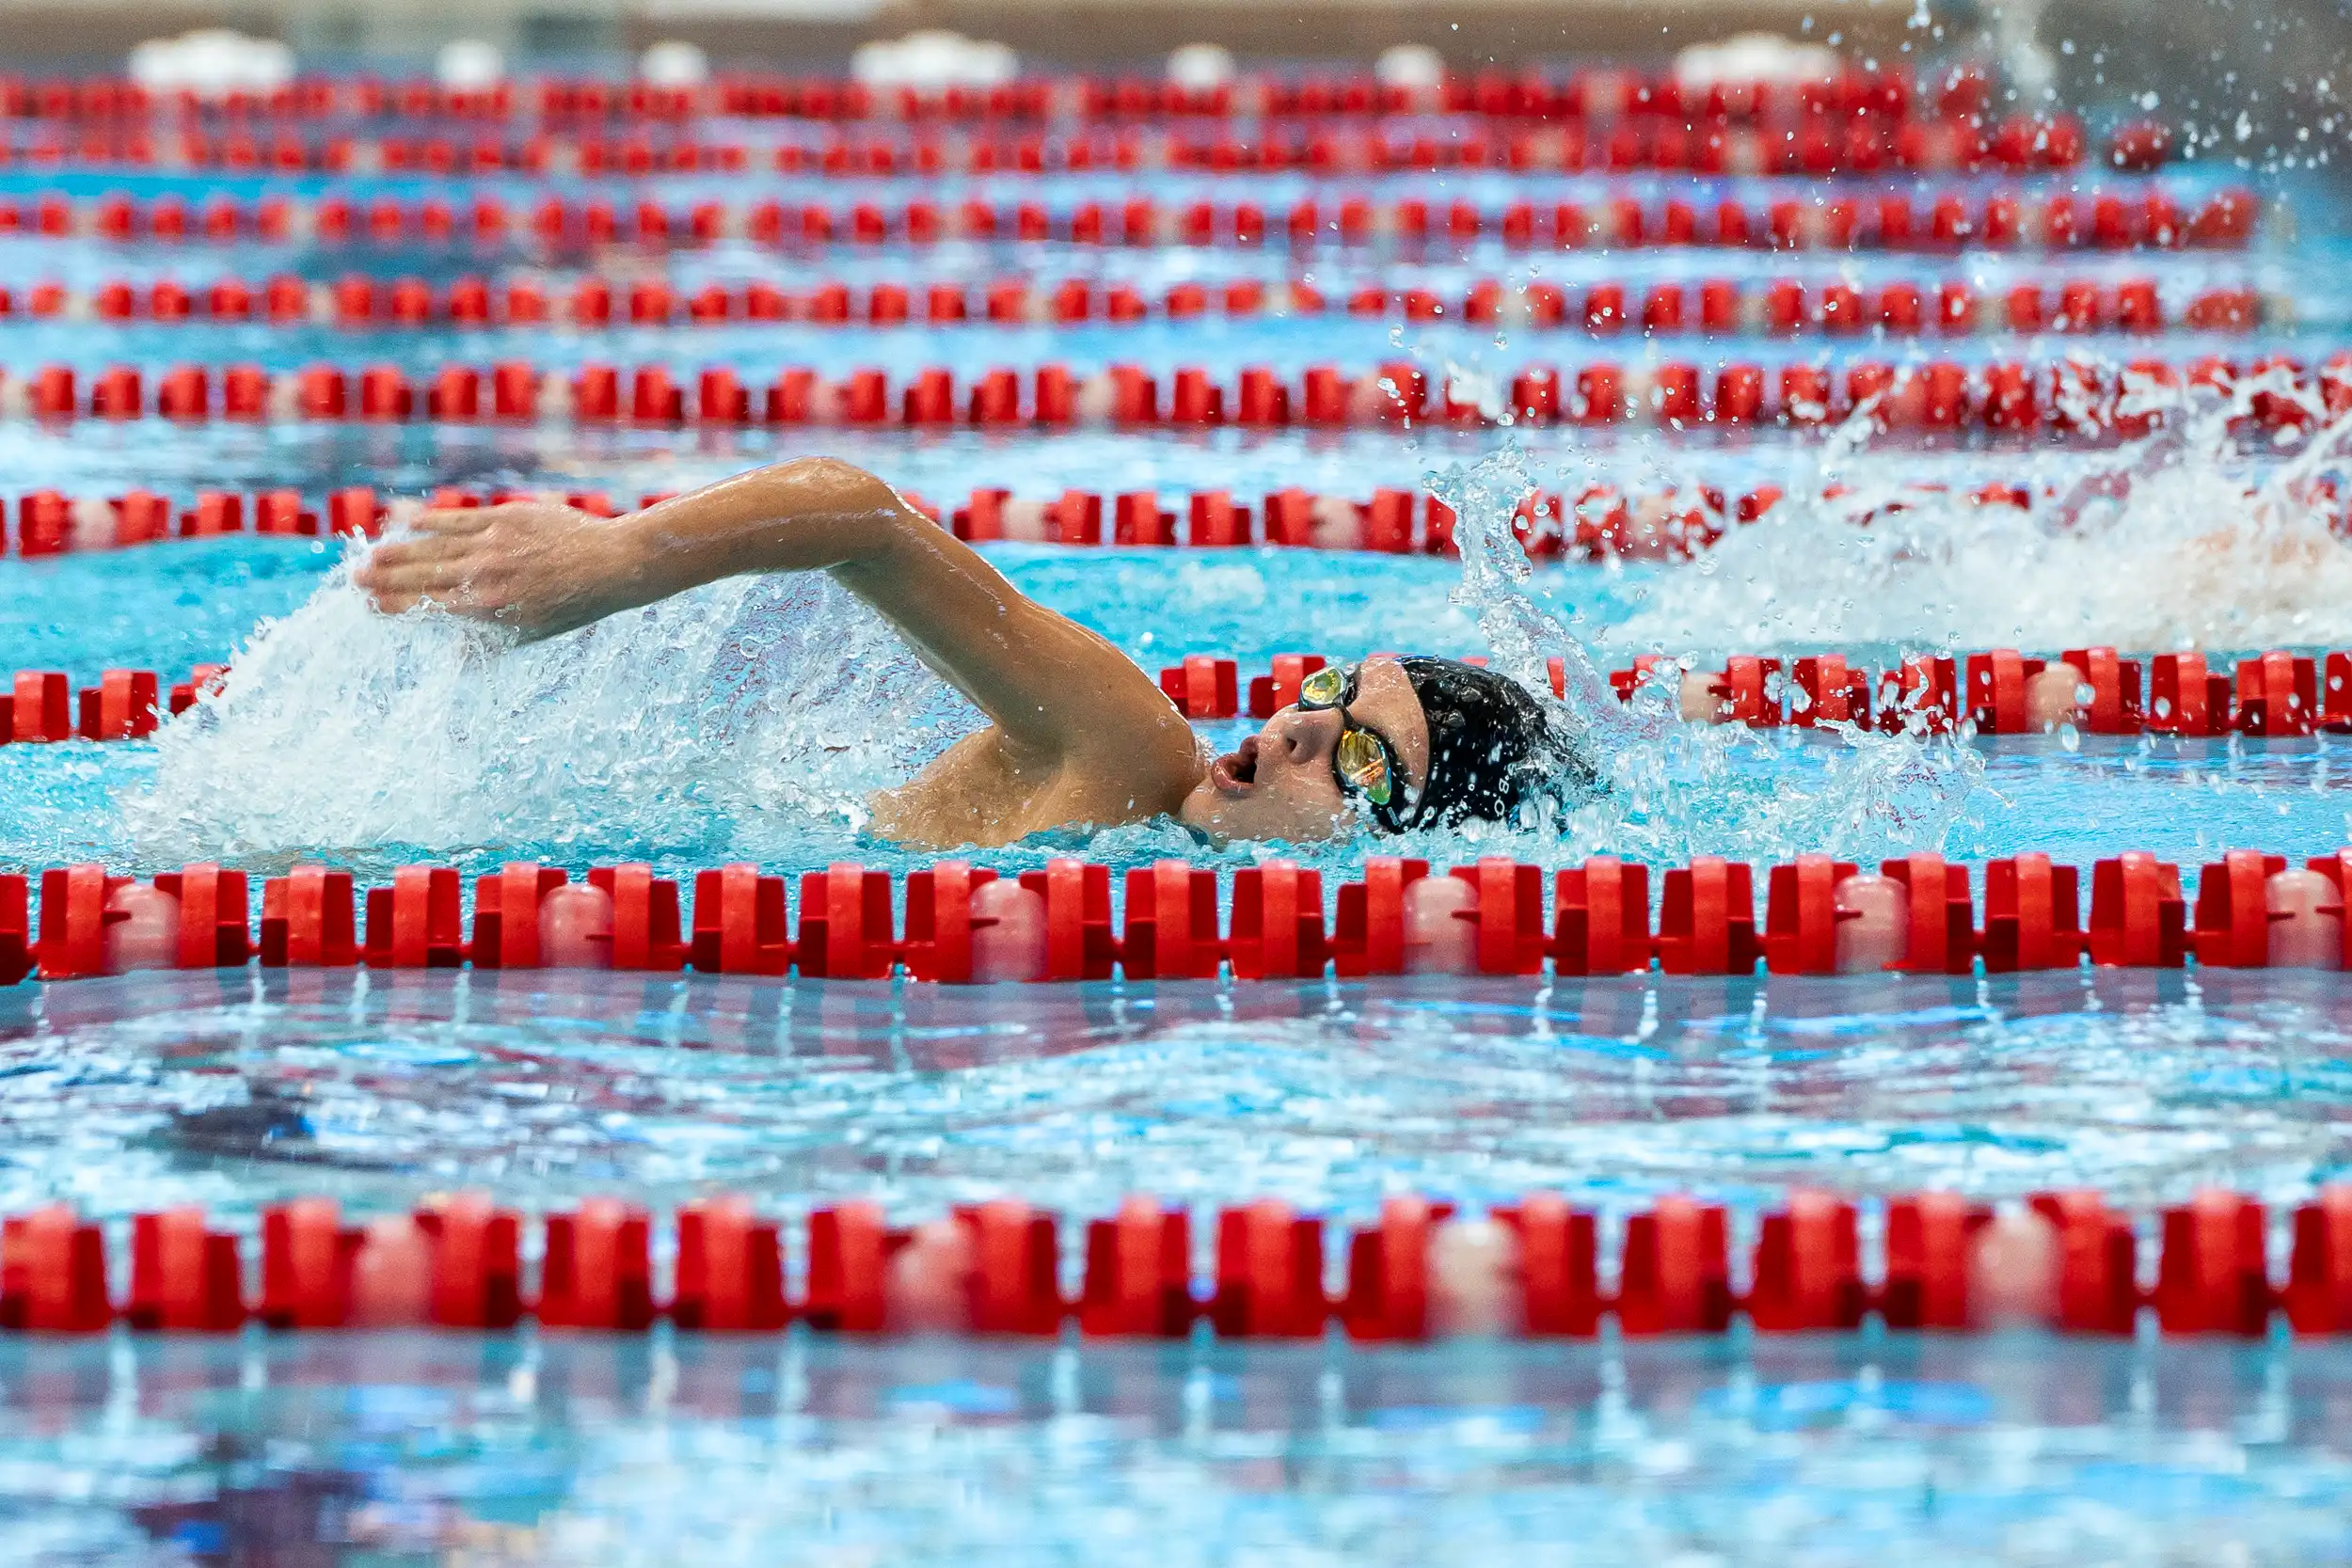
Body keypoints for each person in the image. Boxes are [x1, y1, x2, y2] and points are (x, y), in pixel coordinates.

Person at [355, 456, 1596, 850]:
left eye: (1364, 756)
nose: (1297, 725)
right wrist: (608, 564)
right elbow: (855, 515)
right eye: (1327, 695)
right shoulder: (1124, 748)